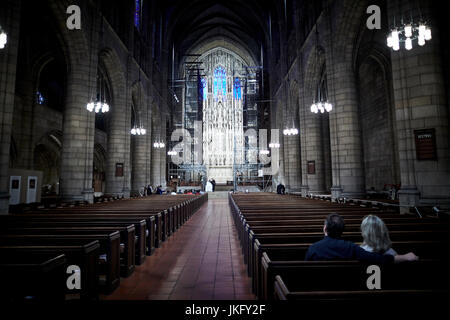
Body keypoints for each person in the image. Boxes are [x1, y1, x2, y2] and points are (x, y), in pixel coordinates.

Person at [305, 213, 418, 264]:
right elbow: (377, 259)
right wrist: (404, 257)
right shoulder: (351, 248)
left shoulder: (313, 249)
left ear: (325, 228)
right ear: (342, 231)